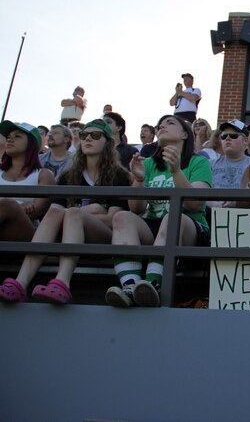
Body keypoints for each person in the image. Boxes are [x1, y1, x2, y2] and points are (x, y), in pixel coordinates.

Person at [0, 120, 131, 304]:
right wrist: (91, 209)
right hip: (67, 234)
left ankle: (62, 282)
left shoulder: (120, 175)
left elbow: (114, 219)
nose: (87, 139)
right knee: (57, 212)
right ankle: (20, 283)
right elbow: (55, 212)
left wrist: (78, 213)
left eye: (95, 135)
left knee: (72, 213)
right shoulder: (68, 176)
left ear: (107, 142)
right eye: (84, 135)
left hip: (102, 238)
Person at [106, 114, 212, 308]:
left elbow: (195, 204)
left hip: (190, 228)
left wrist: (176, 172)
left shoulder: (199, 162)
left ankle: (154, 284)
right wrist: (138, 180)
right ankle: (130, 286)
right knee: (122, 217)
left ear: (184, 135)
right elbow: (136, 208)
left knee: (172, 217)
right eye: (159, 125)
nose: (162, 127)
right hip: (155, 226)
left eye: (170, 123)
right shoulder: (148, 163)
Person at [0, 121, 55, 245]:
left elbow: (39, 210)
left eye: (17, 136)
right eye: (8, 137)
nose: (9, 140)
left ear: (32, 144)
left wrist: (13, 208)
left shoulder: (44, 174)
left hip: (26, 235)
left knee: (7, 204)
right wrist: (21, 207)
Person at [209, 119, 250, 207]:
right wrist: (213, 204)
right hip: (211, 215)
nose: (228, 138)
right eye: (224, 136)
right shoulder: (209, 165)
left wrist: (236, 203)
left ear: (246, 141)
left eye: (233, 135)